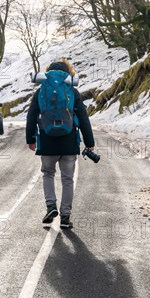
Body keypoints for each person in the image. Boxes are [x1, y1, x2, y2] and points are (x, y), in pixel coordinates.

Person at [26, 59, 95, 229]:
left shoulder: (41, 91)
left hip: (47, 142)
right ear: (68, 73)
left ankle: (51, 207)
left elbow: (31, 115)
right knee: (67, 179)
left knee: (48, 174)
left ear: (48, 72)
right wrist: (89, 142)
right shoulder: (72, 91)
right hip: (69, 141)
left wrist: (31, 139)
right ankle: (65, 216)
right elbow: (84, 119)